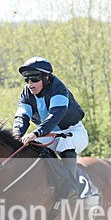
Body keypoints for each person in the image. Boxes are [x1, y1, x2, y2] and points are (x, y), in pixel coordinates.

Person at [12, 56, 88, 200]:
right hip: (48, 132)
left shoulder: (59, 89)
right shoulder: (27, 93)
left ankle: (71, 187)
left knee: (65, 144)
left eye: (34, 79)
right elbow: (22, 117)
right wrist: (16, 136)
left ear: (46, 77)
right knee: (30, 147)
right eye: (27, 79)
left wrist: (36, 133)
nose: (30, 83)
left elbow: (54, 116)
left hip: (72, 131)